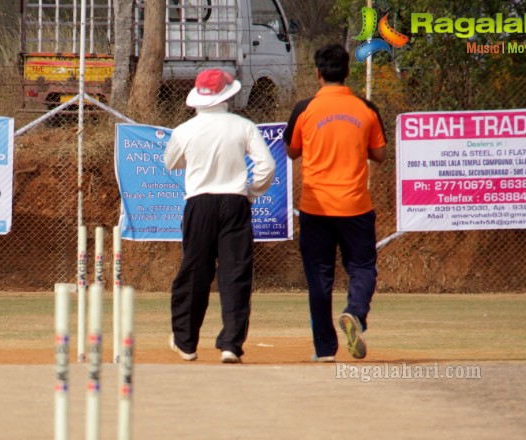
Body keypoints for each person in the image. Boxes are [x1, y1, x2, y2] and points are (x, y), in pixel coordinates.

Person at [163, 68, 276, 364]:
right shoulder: (242, 126)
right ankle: (231, 344)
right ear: (227, 95)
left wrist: (197, 156)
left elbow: (171, 162)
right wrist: (251, 193)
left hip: (199, 203)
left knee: (194, 271)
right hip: (234, 202)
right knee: (235, 272)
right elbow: (266, 166)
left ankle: (186, 342)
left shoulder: (185, 130)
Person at [283, 44, 386, 362]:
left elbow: (291, 151)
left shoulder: (305, 109)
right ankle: (354, 312)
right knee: (363, 268)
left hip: (316, 208)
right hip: (355, 206)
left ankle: (325, 350)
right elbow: (380, 154)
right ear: (347, 72)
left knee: (319, 278)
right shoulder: (365, 108)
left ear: (317, 73)